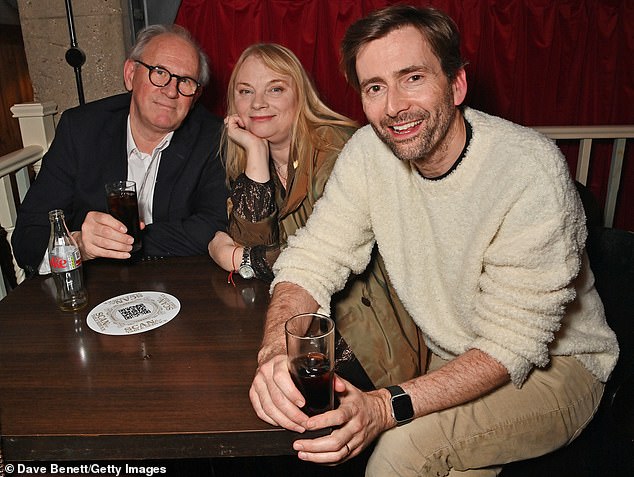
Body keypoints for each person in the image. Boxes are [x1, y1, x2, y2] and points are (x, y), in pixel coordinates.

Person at [249, 5, 619, 476]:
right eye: (375, 88)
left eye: (413, 78)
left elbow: (513, 345)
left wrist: (385, 408)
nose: (394, 106)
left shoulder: (529, 170)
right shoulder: (367, 154)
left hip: (558, 367)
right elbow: (312, 258)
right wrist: (274, 351)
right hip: (451, 355)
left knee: (401, 454)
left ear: (457, 84)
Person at [208, 43, 425, 390]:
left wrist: (237, 258)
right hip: (308, 327)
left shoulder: (338, 150)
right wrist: (255, 156)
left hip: (366, 336)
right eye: (245, 91)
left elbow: (317, 255)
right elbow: (259, 243)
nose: (257, 103)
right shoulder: (252, 153)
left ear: (301, 95)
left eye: (275, 89)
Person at [12, 24, 227, 275]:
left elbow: (215, 226)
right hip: (97, 289)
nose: (171, 91)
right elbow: (28, 236)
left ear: (195, 96)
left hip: (182, 286)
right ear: (130, 74)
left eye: (186, 81)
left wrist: (125, 240)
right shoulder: (80, 130)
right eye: (159, 72)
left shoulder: (214, 137)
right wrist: (80, 245)